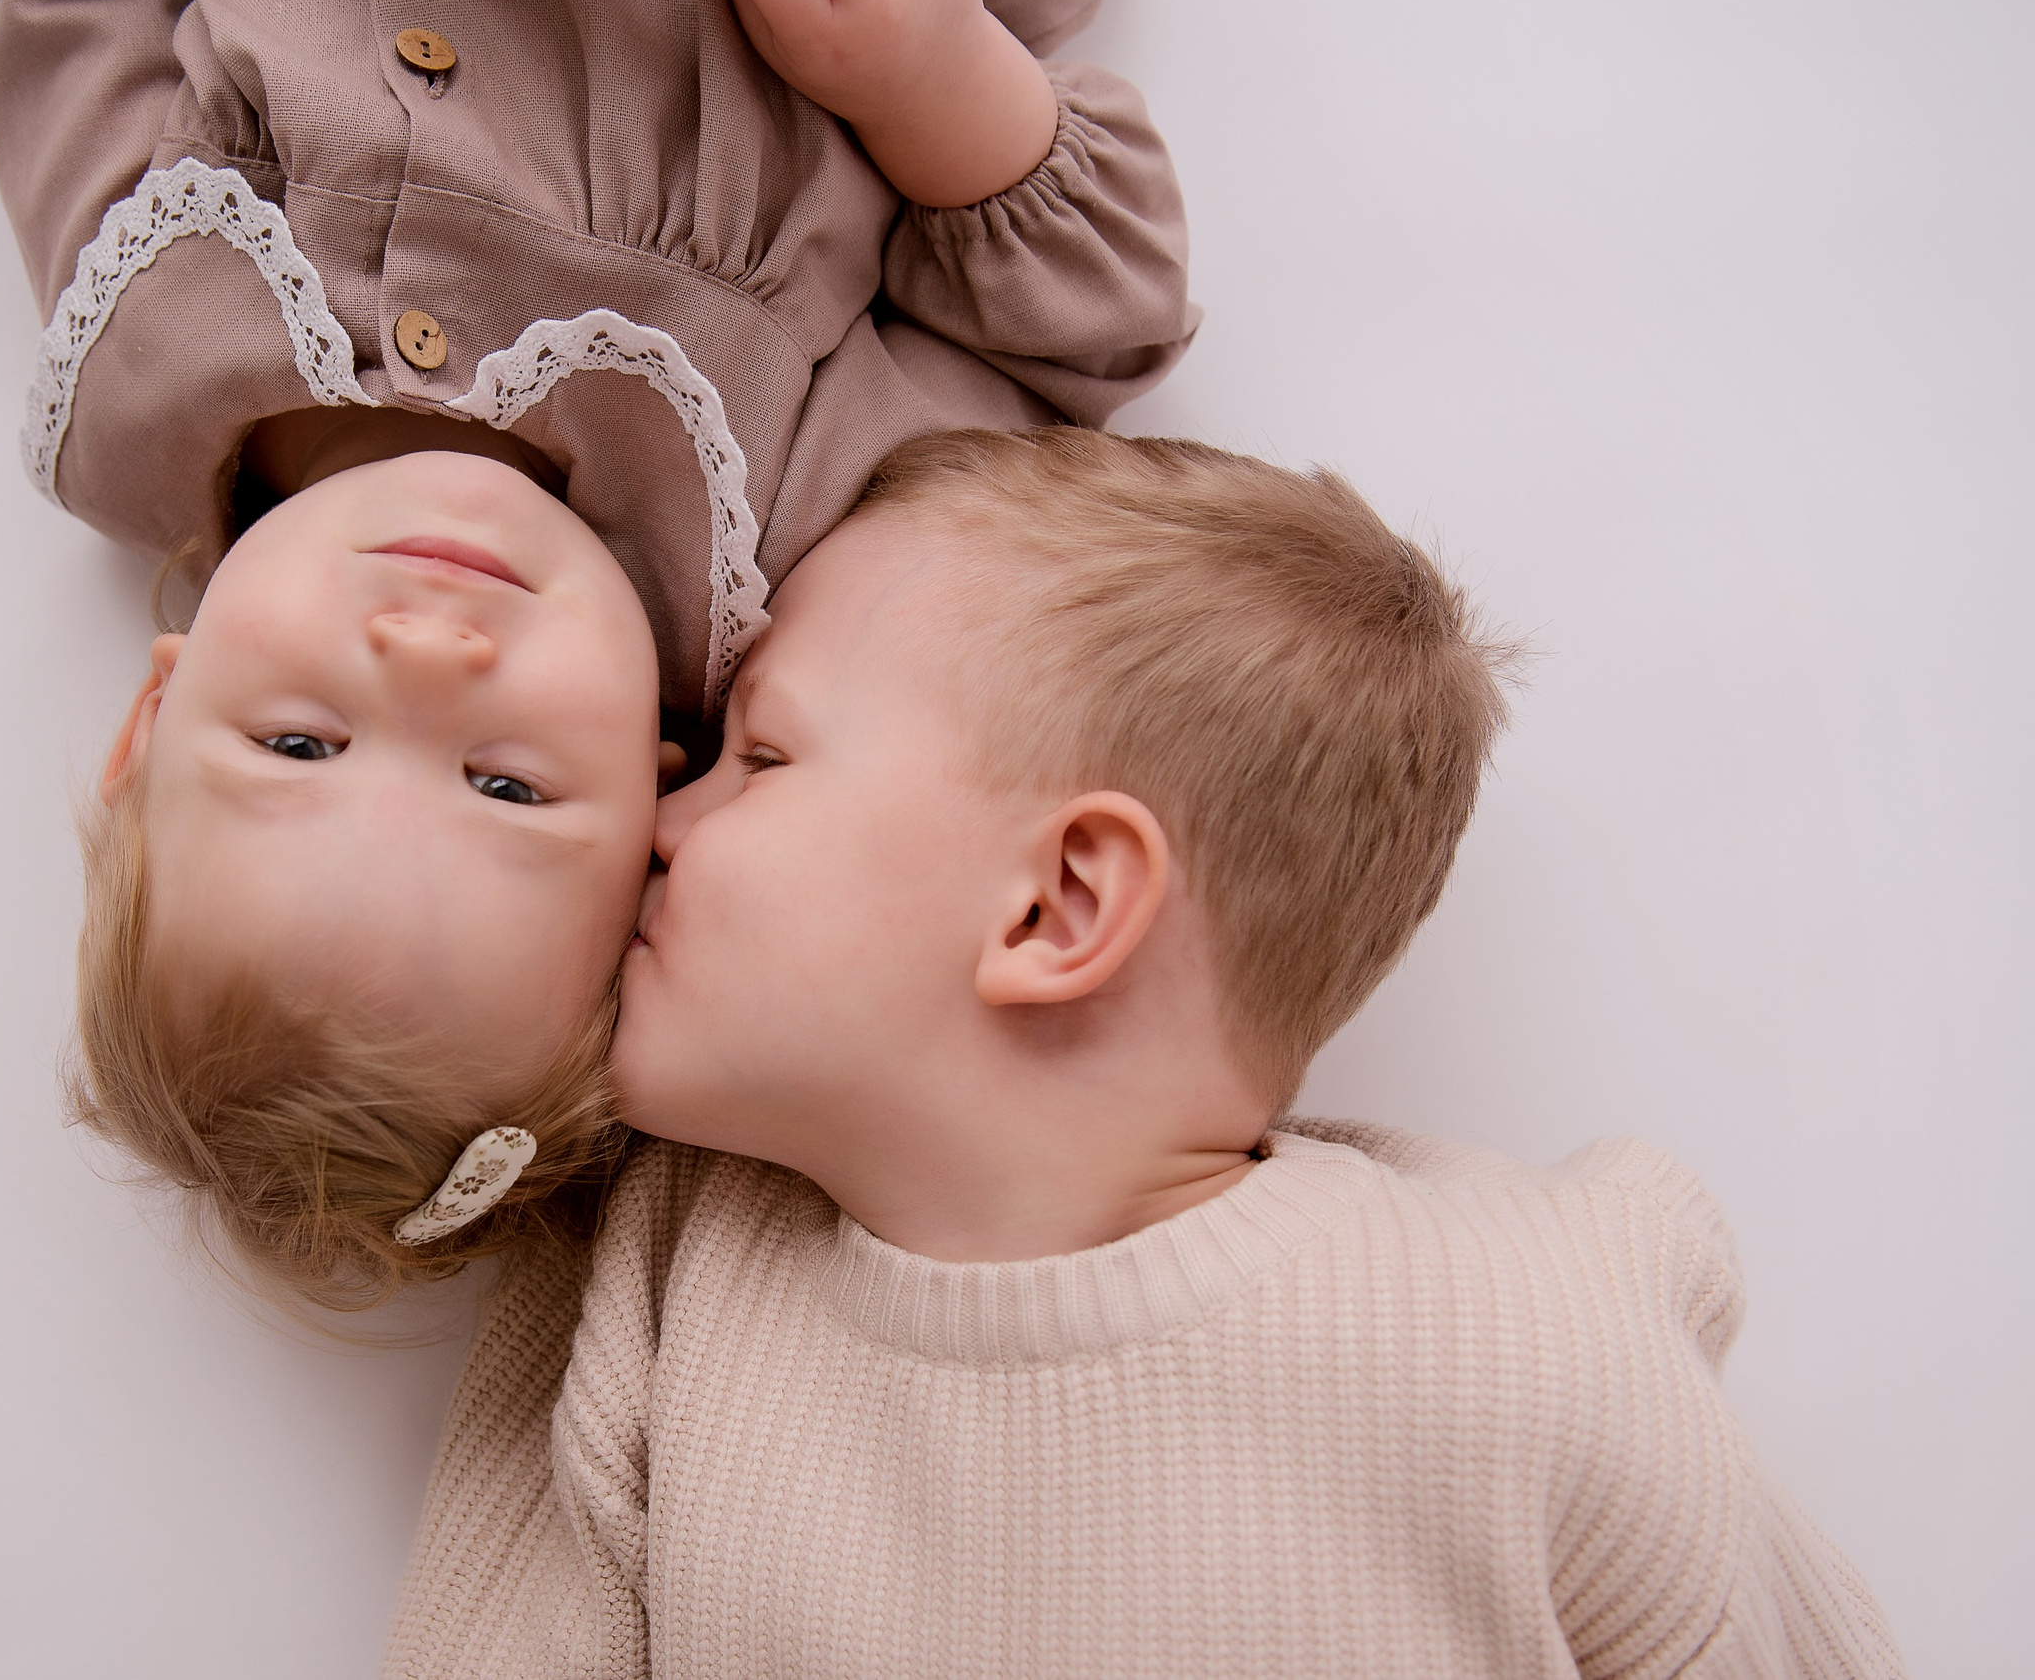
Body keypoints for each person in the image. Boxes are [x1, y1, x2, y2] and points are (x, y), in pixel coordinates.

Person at [382, 428, 1906, 1677]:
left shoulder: (1517, 1352)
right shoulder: (668, 1262)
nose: (660, 814)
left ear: (1057, 906)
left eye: (761, 757)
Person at [0, 0, 1194, 1307]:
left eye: (302, 743)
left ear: (151, 725)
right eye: (505, 784)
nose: (429, 655)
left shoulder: (134, 362)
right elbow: (1089, 329)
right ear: (660, 808)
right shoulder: (779, 541)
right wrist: (932, 73)